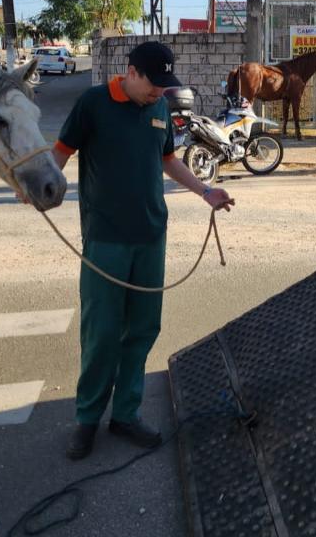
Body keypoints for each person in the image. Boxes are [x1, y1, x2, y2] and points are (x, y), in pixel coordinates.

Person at [51, 41, 234, 460]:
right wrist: (40, 187)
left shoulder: (158, 110)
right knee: (101, 333)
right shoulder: (94, 103)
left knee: (142, 329)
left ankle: (126, 413)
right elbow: (60, 154)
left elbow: (169, 160)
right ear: (131, 72)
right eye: (153, 83)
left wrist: (206, 191)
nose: (159, 93)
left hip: (152, 235)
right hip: (106, 239)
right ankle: (87, 416)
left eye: (164, 85)